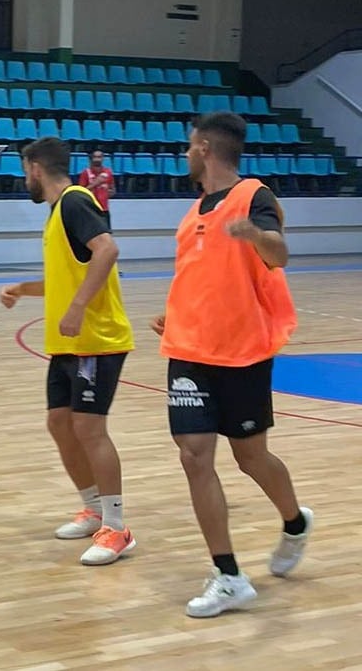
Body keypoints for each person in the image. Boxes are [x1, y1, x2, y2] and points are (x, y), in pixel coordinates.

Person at [151, 111, 310, 618]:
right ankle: (228, 574)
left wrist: (254, 236)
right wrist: (175, 314)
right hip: (190, 353)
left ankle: (294, 521)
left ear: (202, 147)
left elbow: (280, 254)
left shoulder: (254, 197)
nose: (184, 153)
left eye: (187, 146)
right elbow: (201, 275)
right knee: (194, 456)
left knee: (250, 457)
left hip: (241, 353)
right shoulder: (194, 210)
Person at [0, 137, 136, 567]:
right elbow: (68, 277)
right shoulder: (58, 213)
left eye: (25, 171)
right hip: (67, 345)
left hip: (96, 339)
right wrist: (26, 289)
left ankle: (117, 528)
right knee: (60, 423)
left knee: (89, 429)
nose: (26, 179)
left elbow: (107, 250)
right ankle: (93, 508)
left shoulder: (76, 201)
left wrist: (77, 307)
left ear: (36, 167)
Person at [78, 150, 114, 228]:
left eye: (99, 157)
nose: (97, 159)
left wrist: (110, 192)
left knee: (106, 234)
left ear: (103, 158)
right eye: (95, 157)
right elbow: (81, 192)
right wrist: (95, 183)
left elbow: (112, 189)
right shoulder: (85, 173)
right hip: (91, 209)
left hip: (104, 209)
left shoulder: (108, 172)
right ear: (91, 159)